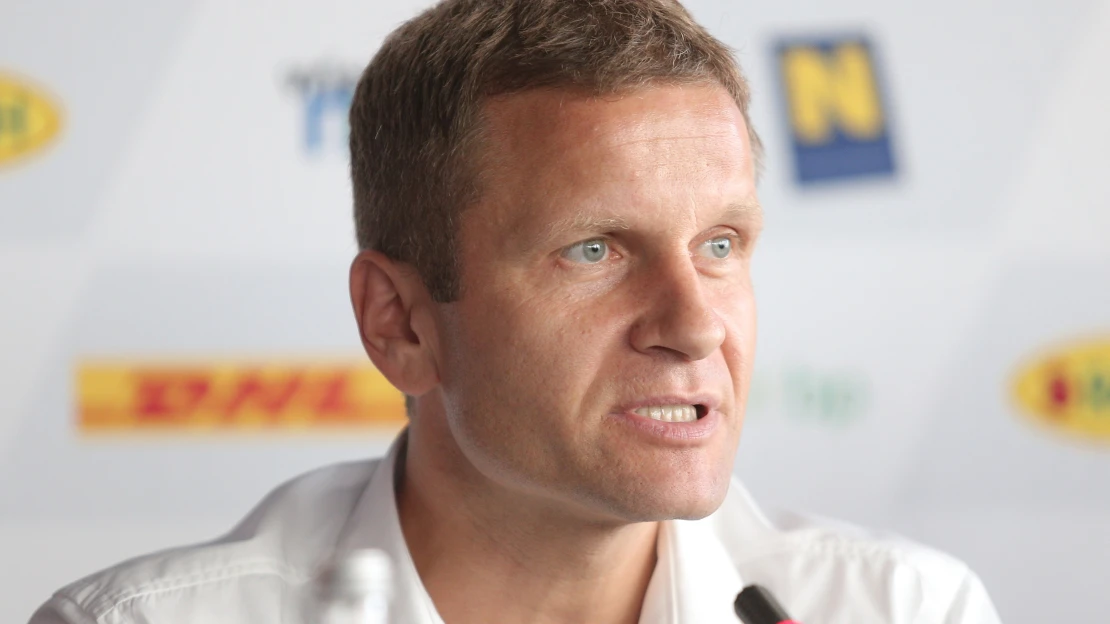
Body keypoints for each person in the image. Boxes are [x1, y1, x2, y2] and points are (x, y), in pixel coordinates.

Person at [30, 1, 1002, 623]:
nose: (696, 326)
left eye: (720, 245)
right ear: (401, 324)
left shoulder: (904, 609)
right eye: (595, 250)